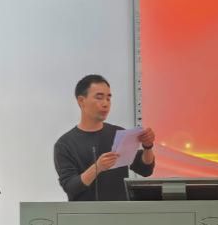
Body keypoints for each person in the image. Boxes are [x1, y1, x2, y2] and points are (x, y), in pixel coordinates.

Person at [53, 74, 157, 202]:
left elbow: (145, 169)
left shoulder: (118, 134)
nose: (105, 104)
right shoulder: (65, 144)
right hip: (83, 213)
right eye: (99, 97)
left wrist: (148, 146)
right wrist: (97, 167)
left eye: (108, 98)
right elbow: (71, 187)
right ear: (81, 101)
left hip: (118, 211)